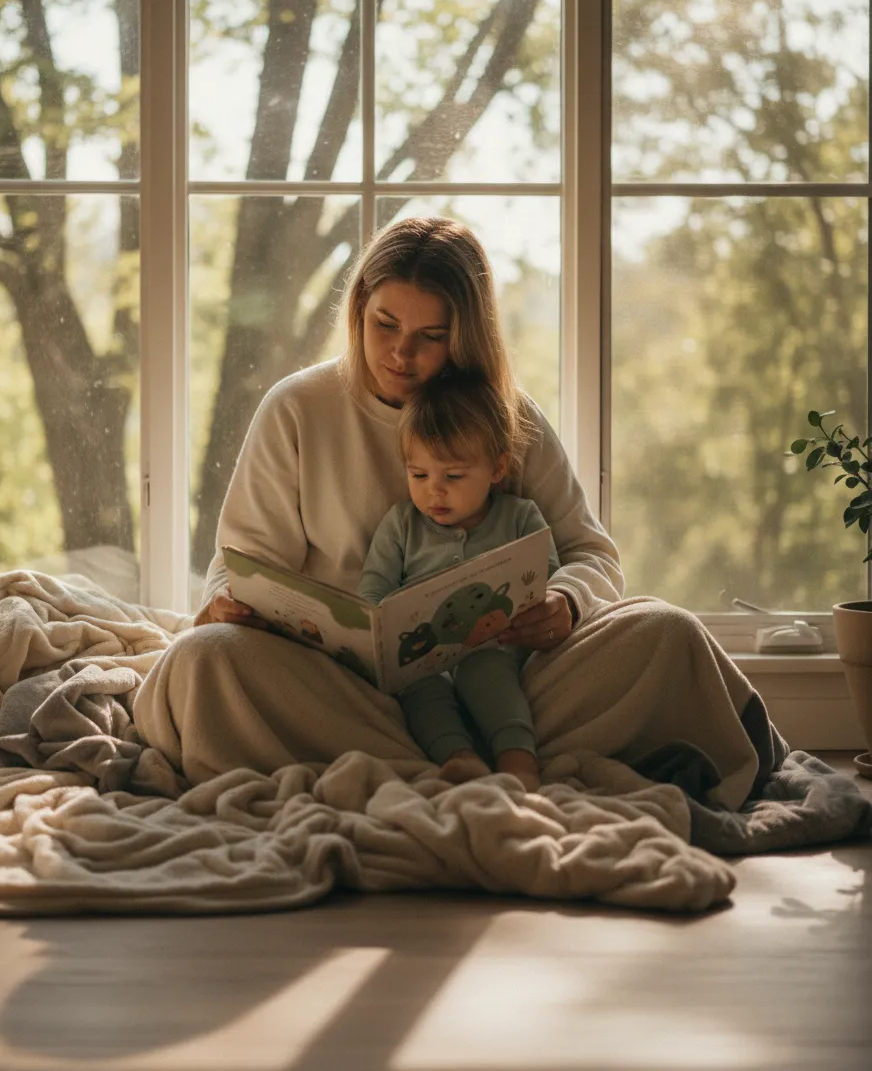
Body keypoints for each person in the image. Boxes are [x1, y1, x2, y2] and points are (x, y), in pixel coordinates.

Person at [134, 216, 783, 810]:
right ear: (358, 308)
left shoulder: (509, 414)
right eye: (384, 324)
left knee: (666, 630)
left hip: (504, 686)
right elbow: (242, 566)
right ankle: (473, 769)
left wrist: (565, 603)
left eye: (430, 337)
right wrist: (227, 604)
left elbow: (592, 554)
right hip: (342, 693)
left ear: (465, 335)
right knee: (205, 661)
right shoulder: (296, 408)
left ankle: (437, 767)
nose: (399, 354)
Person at [357, 367, 561, 791]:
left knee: (482, 671)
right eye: (418, 475)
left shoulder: (520, 516)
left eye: (452, 476)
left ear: (496, 468)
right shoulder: (401, 526)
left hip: (498, 647)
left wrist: (547, 603)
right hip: (422, 656)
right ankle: (459, 757)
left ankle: (518, 760)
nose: (434, 491)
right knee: (420, 690)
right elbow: (374, 590)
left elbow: (551, 578)